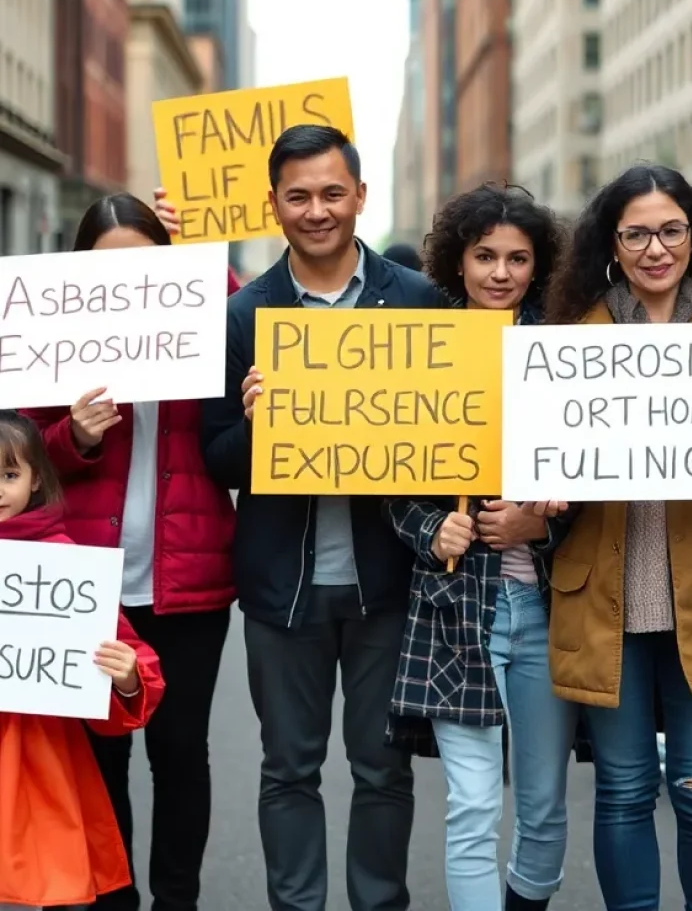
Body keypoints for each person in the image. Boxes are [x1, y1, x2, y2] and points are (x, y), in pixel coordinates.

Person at [196, 125, 443, 911]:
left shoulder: (416, 302)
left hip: (387, 586)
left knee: (382, 770)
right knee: (288, 771)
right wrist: (259, 425)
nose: (316, 210)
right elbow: (217, 458)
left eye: (332, 193)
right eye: (298, 196)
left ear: (360, 197)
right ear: (273, 204)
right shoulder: (243, 314)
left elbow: (451, 439)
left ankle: (379, 903)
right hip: (283, 592)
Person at [539, 164, 692, 911]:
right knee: (621, 792)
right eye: (637, 233)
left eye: (671, 230)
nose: (656, 247)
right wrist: (548, 490)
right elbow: (544, 464)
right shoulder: (572, 335)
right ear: (611, 244)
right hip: (603, 599)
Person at [22, 193, 238, 911]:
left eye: (143, 268)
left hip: (189, 586)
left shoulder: (199, 319)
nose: (125, 284)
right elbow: (20, 456)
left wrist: (203, 257)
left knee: (180, 755)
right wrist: (74, 437)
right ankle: (112, 899)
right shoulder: (52, 337)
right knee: (101, 754)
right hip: (87, 582)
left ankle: (177, 901)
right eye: (106, 269)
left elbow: (249, 318)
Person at [387, 184, 576, 911]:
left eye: (518, 258)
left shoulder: (564, 350)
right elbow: (383, 473)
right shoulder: (421, 347)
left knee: (545, 808)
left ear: (538, 265)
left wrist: (544, 523)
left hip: (549, 608)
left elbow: (602, 476)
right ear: (457, 261)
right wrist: (430, 529)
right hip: (453, 606)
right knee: (471, 807)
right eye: (485, 255)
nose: (501, 271)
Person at [0, 411, 165, 911]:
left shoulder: (62, 563)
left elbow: (129, 652)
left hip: (39, 759)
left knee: (39, 885)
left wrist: (129, 678)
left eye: (8, 474)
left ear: (35, 481)